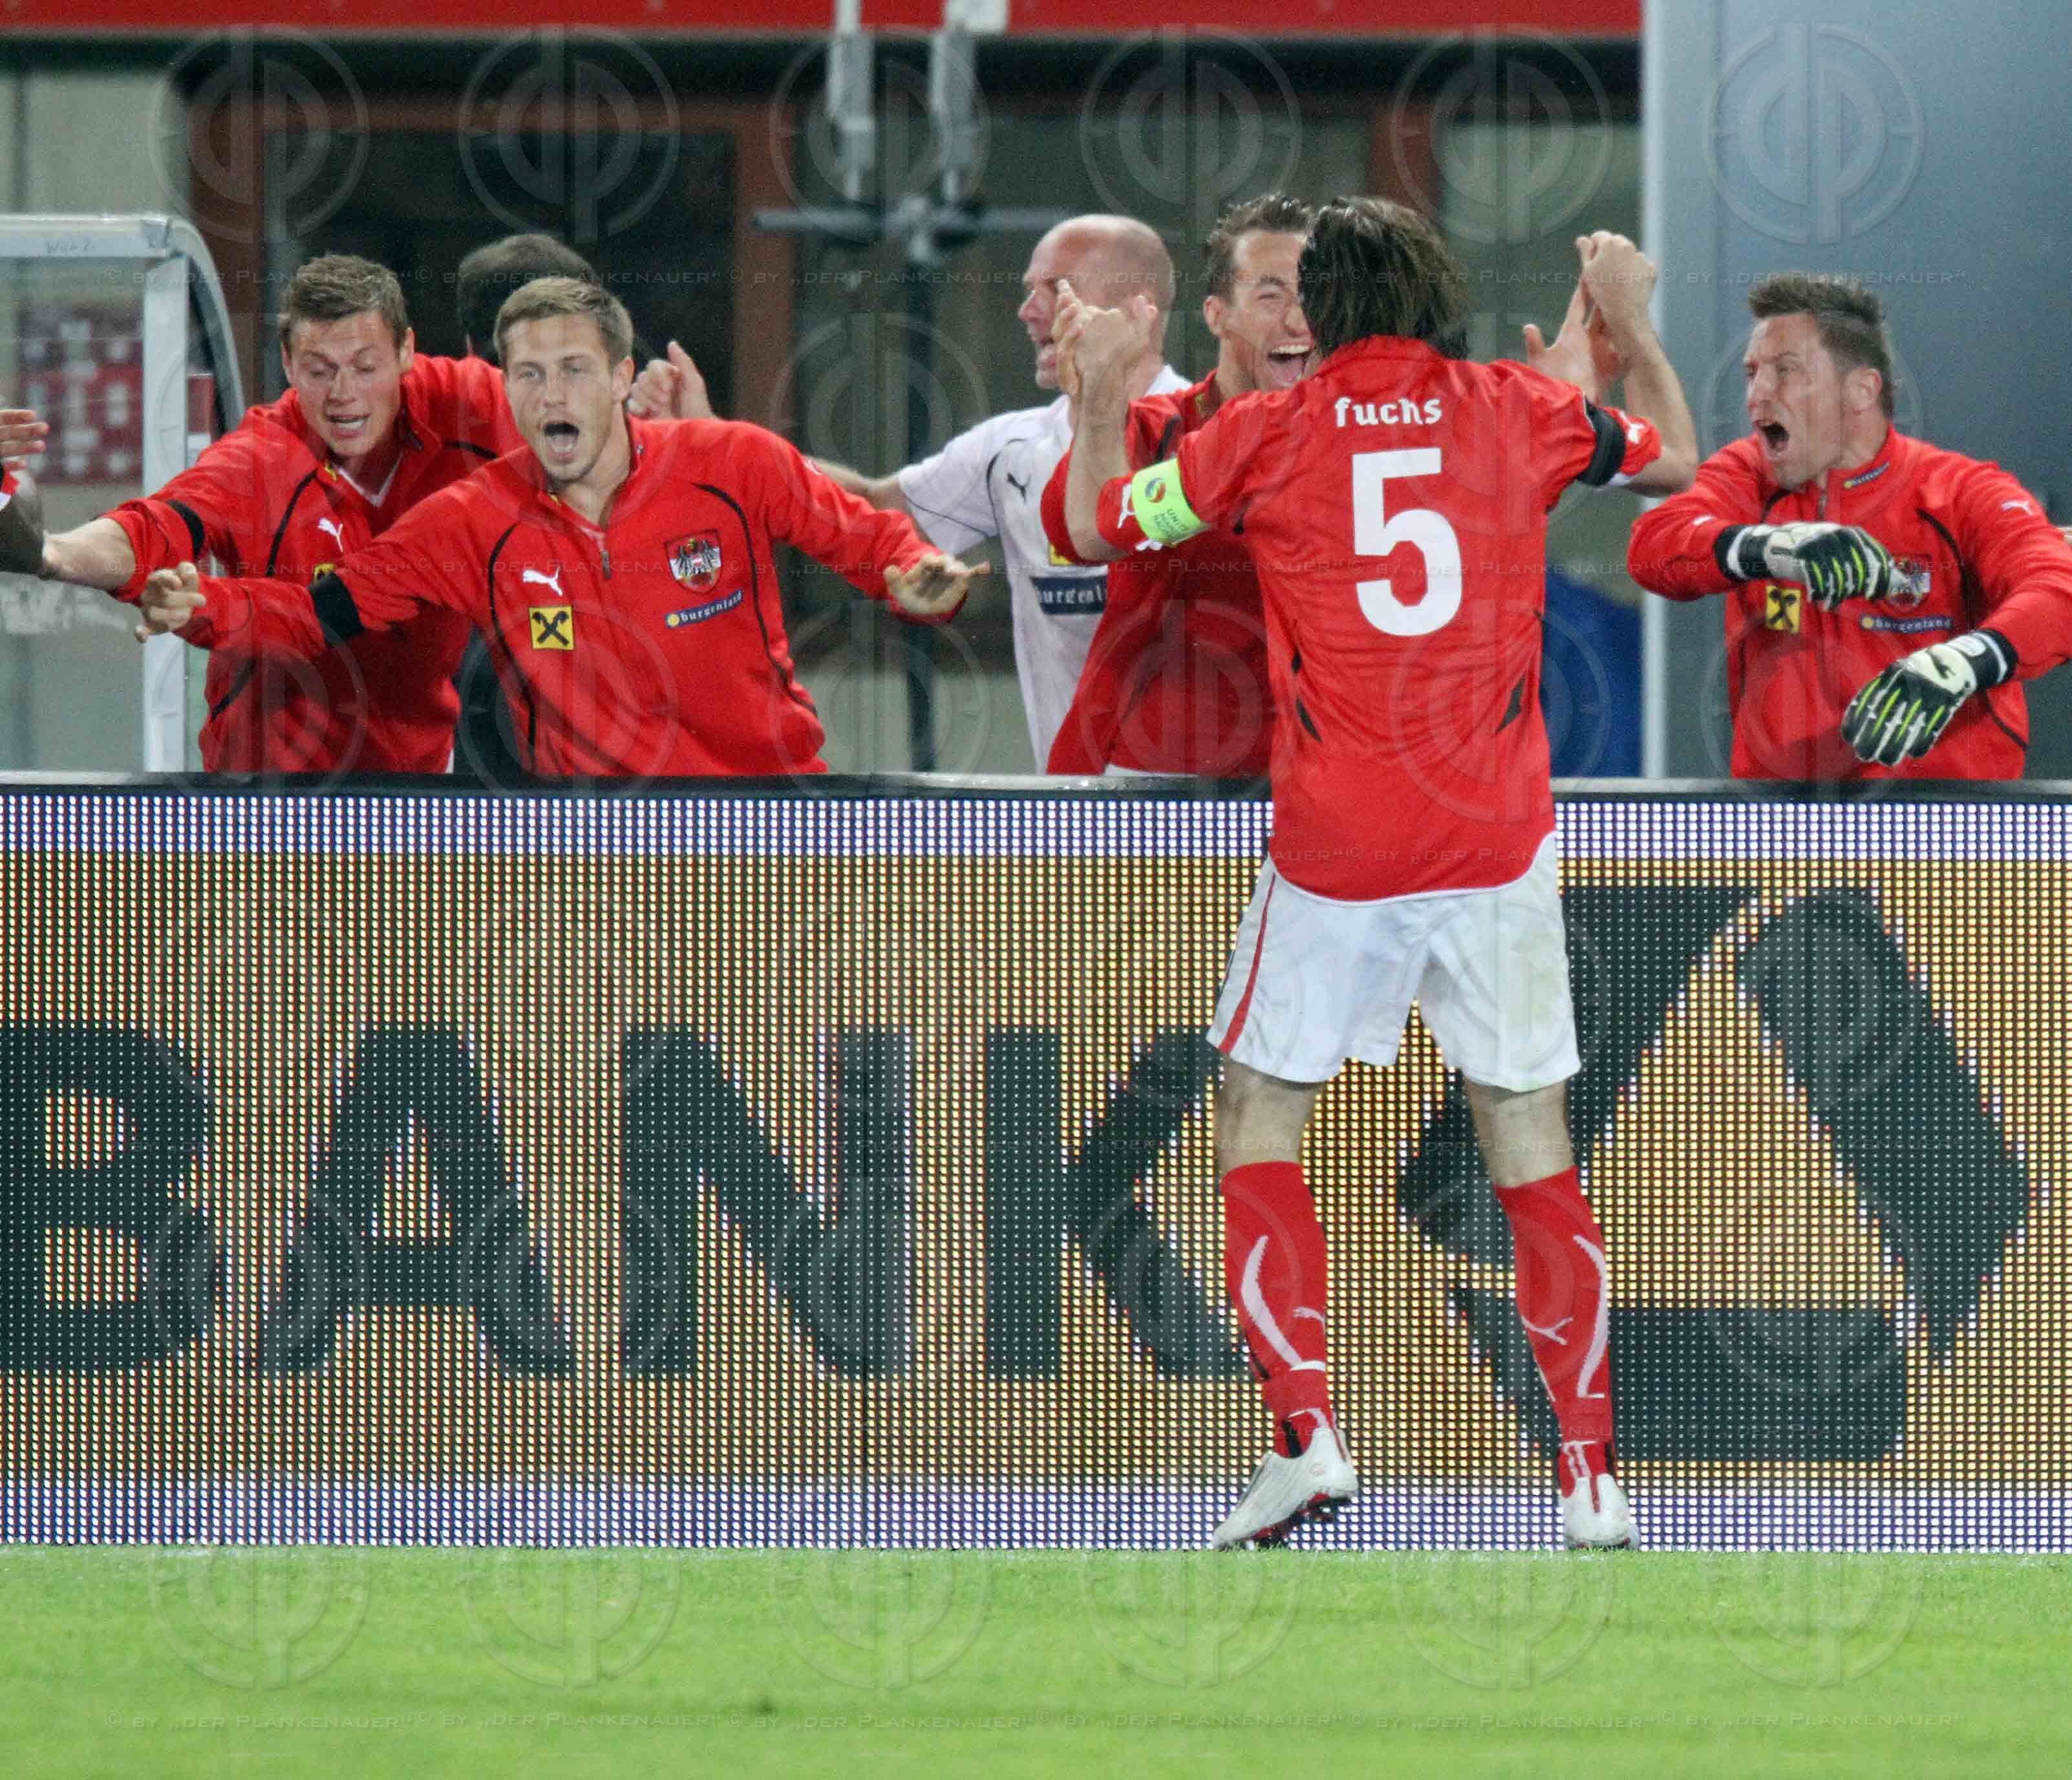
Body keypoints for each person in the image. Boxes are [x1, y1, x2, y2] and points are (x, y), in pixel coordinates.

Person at [1058, 201, 1698, 1550]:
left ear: (1325, 312)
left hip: (1340, 841)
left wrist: (1102, 394)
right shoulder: (1512, 407)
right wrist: (1625, 325)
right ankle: (1590, 1478)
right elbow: (1674, 459)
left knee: (1255, 1106)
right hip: (1495, 837)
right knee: (1529, 1138)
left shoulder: (1261, 433)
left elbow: (1102, 524)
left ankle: (1306, 1434)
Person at [135, 279, 984, 778]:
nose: (551, 396)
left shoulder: (733, 463)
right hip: (589, 855)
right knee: (584, 1090)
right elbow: (326, 611)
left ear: (621, 377)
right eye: (528, 375)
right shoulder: (473, 521)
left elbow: (863, 537)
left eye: (574, 370)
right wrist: (204, 606)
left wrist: (912, 573)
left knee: (779, 1088)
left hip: (766, 822)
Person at [628, 215, 1189, 771]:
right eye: (1026, 290)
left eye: (1055, 287)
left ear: (1136, 308)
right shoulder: (1011, 450)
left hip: (1217, 803)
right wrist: (716, 443)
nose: (1027, 310)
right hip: (1077, 814)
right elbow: (872, 511)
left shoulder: (1213, 438)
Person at [0, 254, 519, 774]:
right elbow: (150, 528)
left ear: (406, 350)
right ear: (289, 363)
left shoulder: (470, 406)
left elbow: (579, 424)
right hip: (263, 794)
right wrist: (52, 552)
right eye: (319, 371)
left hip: (417, 784)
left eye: (366, 367)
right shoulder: (257, 460)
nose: (344, 394)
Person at [1628, 274, 2072, 777]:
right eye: (1752, 373)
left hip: (1951, 823)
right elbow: (1652, 547)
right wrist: (1766, 547)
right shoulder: (1748, 477)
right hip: (1785, 822)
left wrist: (1965, 661)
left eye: (1785, 371)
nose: (1757, 395)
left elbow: (2059, 587)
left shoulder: (1960, 491)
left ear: (1861, 389)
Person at [1037, 194, 1316, 777]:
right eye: (1271, 295)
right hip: (1152, 786)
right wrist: (1099, 396)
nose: (1298, 319)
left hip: (1309, 785)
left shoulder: (1358, 441)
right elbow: (1081, 535)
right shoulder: (1153, 427)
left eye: (1312, 296)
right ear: (1217, 315)